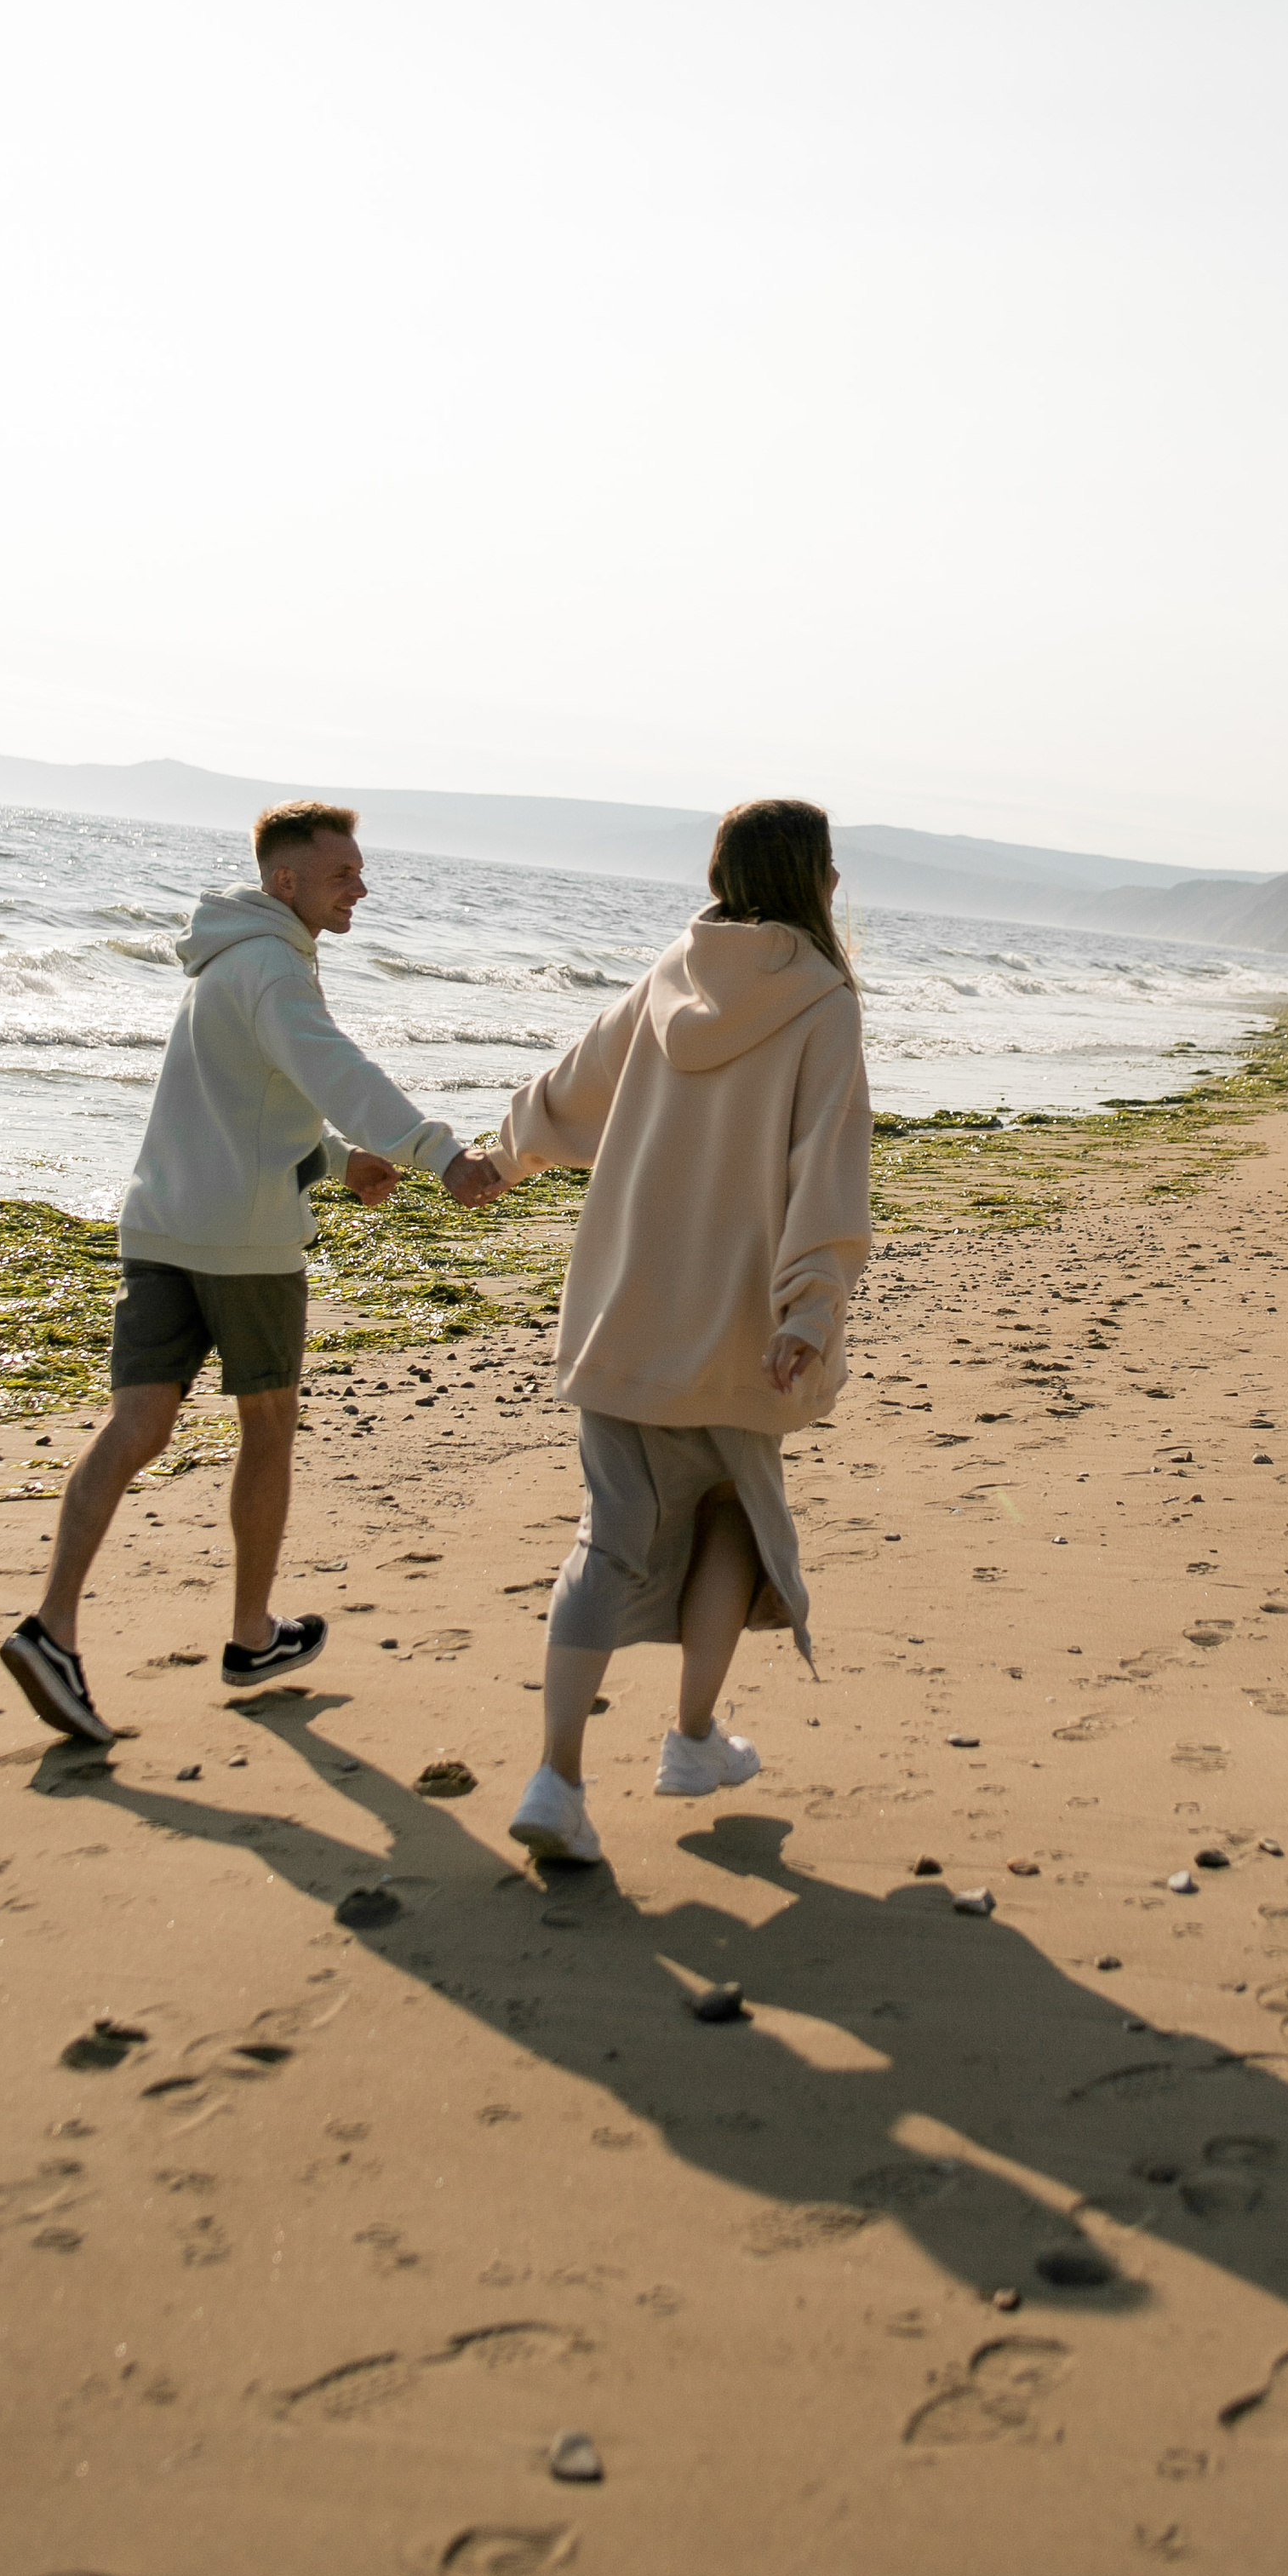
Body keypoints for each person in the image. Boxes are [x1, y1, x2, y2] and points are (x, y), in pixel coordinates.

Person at [0, 803, 501, 1747]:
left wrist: (336, 1160)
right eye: (342, 873)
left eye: (358, 869)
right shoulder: (276, 968)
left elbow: (248, 1099)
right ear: (286, 883)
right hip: (244, 1245)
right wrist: (440, 1155)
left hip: (160, 1224)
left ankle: (52, 1626)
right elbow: (334, 1069)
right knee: (268, 1424)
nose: (360, 885)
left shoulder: (228, 961)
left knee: (137, 1424)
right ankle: (249, 1635)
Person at [491, 799, 873, 1863]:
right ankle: (691, 1739)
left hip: (623, 1309)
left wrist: (499, 1158)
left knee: (607, 1541)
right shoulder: (822, 999)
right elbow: (827, 1167)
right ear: (813, 879)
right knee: (732, 1521)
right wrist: (808, 1309)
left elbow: (574, 1085)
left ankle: (558, 1779)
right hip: (741, 1324)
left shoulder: (672, 970)